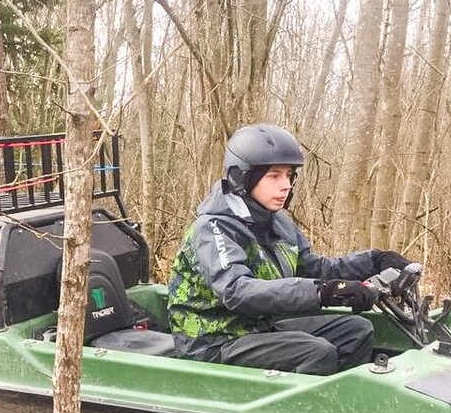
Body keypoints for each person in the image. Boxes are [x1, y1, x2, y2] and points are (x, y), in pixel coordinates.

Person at [166, 123, 412, 375]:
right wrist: (323, 292)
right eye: (274, 176)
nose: (285, 185)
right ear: (242, 178)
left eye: (289, 175)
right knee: (316, 351)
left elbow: (314, 268)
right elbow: (237, 291)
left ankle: (343, 403)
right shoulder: (212, 228)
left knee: (357, 330)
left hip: (258, 330)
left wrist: (374, 261)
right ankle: (309, 412)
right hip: (214, 341)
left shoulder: (276, 221)